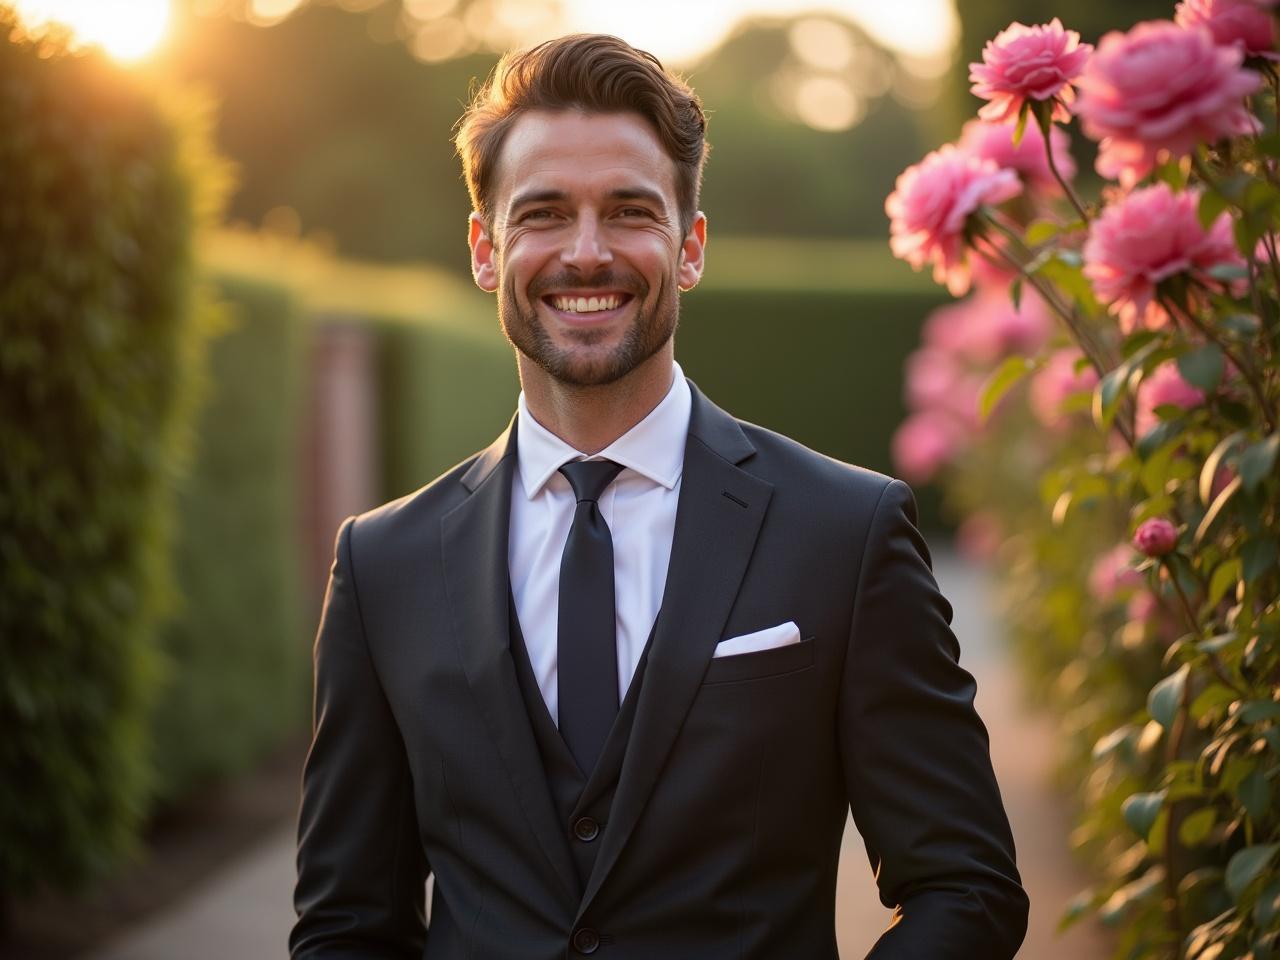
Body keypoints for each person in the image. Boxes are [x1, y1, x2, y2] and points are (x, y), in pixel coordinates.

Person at [290, 33, 1028, 960]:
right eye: (545, 213)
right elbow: (346, 925)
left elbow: (967, 887)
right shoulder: (382, 563)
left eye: (630, 210)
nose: (588, 254)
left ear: (690, 247)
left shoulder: (845, 531)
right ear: (486, 249)